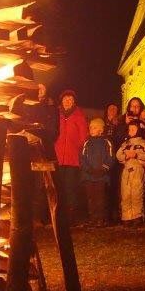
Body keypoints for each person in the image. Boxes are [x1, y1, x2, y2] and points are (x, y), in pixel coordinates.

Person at [52, 88, 88, 224]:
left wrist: (76, 147)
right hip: (57, 157)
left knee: (70, 187)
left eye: (71, 100)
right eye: (66, 99)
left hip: (72, 159)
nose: (68, 101)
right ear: (61, 101)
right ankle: (57, 216)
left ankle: (70, 217)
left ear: (74, 102)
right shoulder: (56, 114)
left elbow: (83, 135)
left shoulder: (79, 115)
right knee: (57, 187)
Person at [80, 116, 115, 227]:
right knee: (91, 198)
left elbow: (110, 157)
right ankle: (93, 218)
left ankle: (101, 219)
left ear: (100, 129)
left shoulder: (106, 142)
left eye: (94, 127)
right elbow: (82, 158)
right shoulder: (87, 142)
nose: (91, 129)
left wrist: (103, 169)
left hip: (101, 176)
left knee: (100, 198)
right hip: (89, 176)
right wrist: (88, 169)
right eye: (90, 127)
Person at [115, 120, 145, 225]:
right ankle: (126, 217)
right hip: (126, 170)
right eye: (129, 129)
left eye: (133, 129)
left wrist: (136, 155)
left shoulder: (142, 143)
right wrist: (126, 156)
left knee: (136, 193)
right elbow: (118, 155)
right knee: (125, 193)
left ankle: (137, 216)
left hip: (137, 169)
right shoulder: (125, 143)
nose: (130, 131)